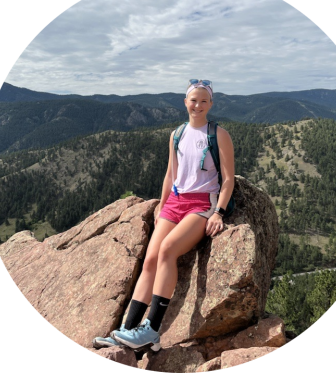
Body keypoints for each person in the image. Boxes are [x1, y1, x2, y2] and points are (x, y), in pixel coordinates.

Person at [93, 79, 235, 351]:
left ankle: (152, 330)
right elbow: (171, 174)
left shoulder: (219, 135)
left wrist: (218, 212)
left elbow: (228, 179)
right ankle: (128, 330)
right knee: (150, 260)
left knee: (168, 250)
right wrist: (162, 204)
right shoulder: (177, 134)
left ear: (211, 104)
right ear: (185, 102)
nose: (198, 105)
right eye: (193, 100)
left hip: (202, 203)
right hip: (176, 201)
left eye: (204, 101)